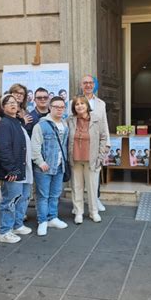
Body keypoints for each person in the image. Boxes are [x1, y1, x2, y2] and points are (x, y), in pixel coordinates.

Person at [0, 94, 33, 244]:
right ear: (2, 107)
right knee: (10, 200)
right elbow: (3, 149)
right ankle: (4, 231)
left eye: (15, 102)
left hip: (23, 168)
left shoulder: (17, 122)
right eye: (8, 103)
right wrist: (10, 169)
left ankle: (17, 225)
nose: (13, 104)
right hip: (13, 171)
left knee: (22, 197)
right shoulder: (4, 124)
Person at [31, 96, 69, 236]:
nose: (59, 109)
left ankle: (52, 217)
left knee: (55, 194)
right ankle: (42, 221)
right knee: (43, 195)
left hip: (60, 166)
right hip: (44, 167)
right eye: (56, 107)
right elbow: (35, 146)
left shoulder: (65, 125)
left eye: (62, 107)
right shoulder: (40, 125)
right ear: (50, 108)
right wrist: (40, 162)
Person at [68, 96, 108, 224]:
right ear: (73, 107)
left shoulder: (97, 119)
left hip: (92, 159)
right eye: (77, 104)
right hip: (75, 159)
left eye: (82, 103)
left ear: (87, 105)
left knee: (92, 187)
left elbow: (104, 138)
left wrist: (100, 156)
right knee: (76, 187)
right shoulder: (69, 120)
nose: (79, 106)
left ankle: (93, 212)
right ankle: (78, 212)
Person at [79, 75, 110, 211]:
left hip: (96, 143)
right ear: (81, 85)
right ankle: (78, 205)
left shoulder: (101, 103)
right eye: (85, 83)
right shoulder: (75, 102)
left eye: (90, 83)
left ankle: (95, 200)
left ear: (94, 85)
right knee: (79, 177)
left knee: (95, 172)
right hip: (80, 144)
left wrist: (106, 143)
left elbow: (104, 124)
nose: (88, 85)